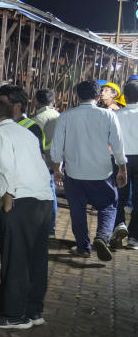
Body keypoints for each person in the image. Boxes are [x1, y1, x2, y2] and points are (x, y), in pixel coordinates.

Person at [0, 99, 54, 329]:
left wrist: (7, 201)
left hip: (20, 200)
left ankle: (14, 315)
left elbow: (5, 168)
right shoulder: (25, 133)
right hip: (43, 200)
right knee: (36, 260)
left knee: (16, 260)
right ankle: (33, 311)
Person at [50, 80, 127, 261]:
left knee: (77, 210)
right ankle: (101, 237)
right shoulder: (108, 116)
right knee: (108, 206)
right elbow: (117, 145)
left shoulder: (66, 116)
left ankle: (83, 247)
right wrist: (122, 168)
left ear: (77, 96)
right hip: (101, 172)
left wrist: (57, 169)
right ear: (98, 97)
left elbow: (56, 147)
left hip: (74, 173)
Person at [112, 81, 138, 249]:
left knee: (119, 196)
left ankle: (119, 225)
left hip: (120, 159)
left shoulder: (115, 115)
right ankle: (134, 238)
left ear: (125, 97)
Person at [32, 88, 61, 233]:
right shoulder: (58, 115)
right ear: (53, 101)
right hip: (54, 160)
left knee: (46, 195)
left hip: (41, 161)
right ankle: (51, 227)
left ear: (37, 101)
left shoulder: (39, 119)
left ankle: (48, 227)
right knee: (51, 193)